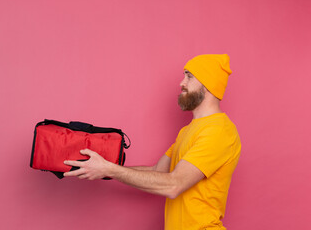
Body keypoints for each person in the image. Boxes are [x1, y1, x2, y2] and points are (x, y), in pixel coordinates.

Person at [63, 54, 241, 230]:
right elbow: (157, 171)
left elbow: (174, 184)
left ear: (208, 84)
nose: (182, 83)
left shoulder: (218, 131)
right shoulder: (188, 131)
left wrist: (110, 169)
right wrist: (103, 168)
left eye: (189, 76)